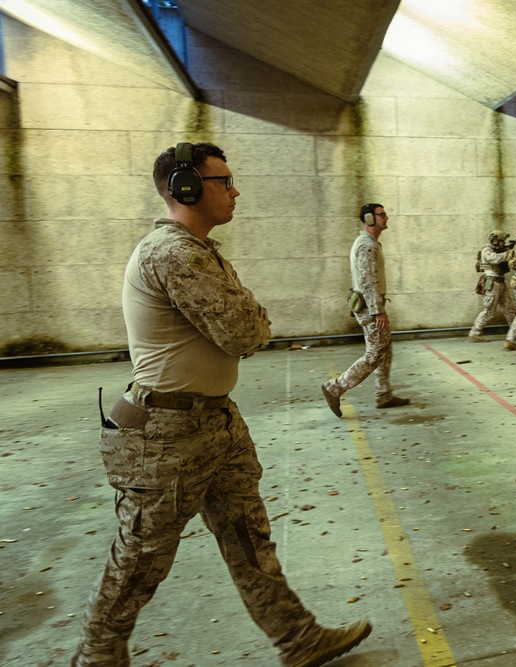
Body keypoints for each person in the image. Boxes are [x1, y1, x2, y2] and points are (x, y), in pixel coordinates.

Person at [74, 142, 371, 666]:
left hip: (212, 421)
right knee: (141, 559)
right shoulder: (174, 253)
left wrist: (249, 317)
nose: (235, 191)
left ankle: (298, 639)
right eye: (224, 182)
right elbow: (245, 330)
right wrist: (252, 317)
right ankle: (97, 659)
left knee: (248, 539)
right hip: (164, 434)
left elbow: (244, 325)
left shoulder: (199, 251)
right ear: (184, 187)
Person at [321, 203, 410, 417]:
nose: (386, 218)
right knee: (374, 354)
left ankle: (384, 394)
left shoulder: (370, 243)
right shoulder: (367, 245)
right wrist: (377, 311)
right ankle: (335, 387)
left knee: (385, 348)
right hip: (370, 307)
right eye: (382, 215)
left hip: (370, 304)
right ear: (369, 218)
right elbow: (367, 280)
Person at [468, 229, 516, 343]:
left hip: (500, 282)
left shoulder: (497, 250)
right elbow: (496, 259)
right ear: (494, 241)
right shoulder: (487, 250)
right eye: (501, 241)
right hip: (492, 283)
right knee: (489, 310)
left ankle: (515, 330)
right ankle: (475, 332)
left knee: (508, 308)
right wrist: (511, 252)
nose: (503, 244)